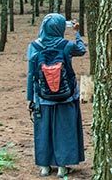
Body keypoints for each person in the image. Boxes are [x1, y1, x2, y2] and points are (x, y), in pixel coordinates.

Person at [27, 13, 86, 177]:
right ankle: (62, 167)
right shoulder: (67, 46)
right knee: (65, 130)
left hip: (42, 97)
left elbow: (31, 75)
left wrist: (30, 99)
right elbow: (82, 50)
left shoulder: (34, 46)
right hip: (67, 96)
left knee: (43, 130)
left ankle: (45, 166)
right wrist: (77, 33)